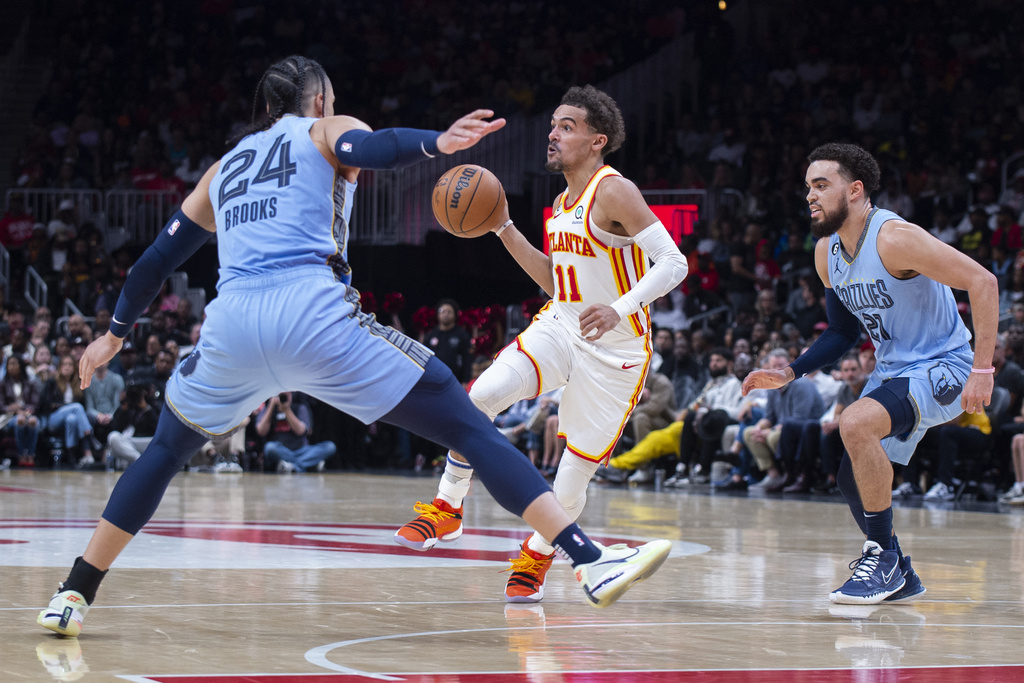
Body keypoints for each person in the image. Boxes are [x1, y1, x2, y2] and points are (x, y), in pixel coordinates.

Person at [38, 57, 671, 638]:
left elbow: (158, 258)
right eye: (332, 97)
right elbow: (370, 145)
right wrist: (436, 142)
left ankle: (73, 594)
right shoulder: (321, 129)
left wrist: (115, 333)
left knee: (165, 451)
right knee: (466, 422)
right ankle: (589, 561)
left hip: (230, 325)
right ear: (317, 98)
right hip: (312, 315)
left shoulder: (224, 167)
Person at [395, 85, 687, 603]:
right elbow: (559, 284)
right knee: (478, 396)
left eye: (567, 126)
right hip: (561, 325)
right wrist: (503, 226)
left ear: (598, 141)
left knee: (572, 477)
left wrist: (618, 307)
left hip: (617, 350)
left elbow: (674, 263)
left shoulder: (614, 190)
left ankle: (538, 551)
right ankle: (448, 507)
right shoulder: (559, 204)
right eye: (553, 124)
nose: (552, 133)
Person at [742, 142, 997, 605]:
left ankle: (878, 557)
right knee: (848, 476)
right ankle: (900, 571)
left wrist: (982, 369)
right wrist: (791, 372)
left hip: (946, 364)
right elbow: (841, 332)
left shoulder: (895, 238)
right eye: (807, 187)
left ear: (856, 190)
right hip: (896, 370)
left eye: (822, 185)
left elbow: (983, 281)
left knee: (855, 422)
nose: (810, 196)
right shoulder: (827, 254)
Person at [256, 392, 335, 473]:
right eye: (281, 395)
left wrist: (286, 410)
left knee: (329, 446)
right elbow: (261, 431)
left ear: (291, 395)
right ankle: (309, 464)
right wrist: (271, 405)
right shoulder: (269, 408)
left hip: (302, 450)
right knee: (269, 447)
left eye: (286, 395)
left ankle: (293, 466)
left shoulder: (300, 407)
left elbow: (300, 431)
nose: (283, 398)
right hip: (280, 450)